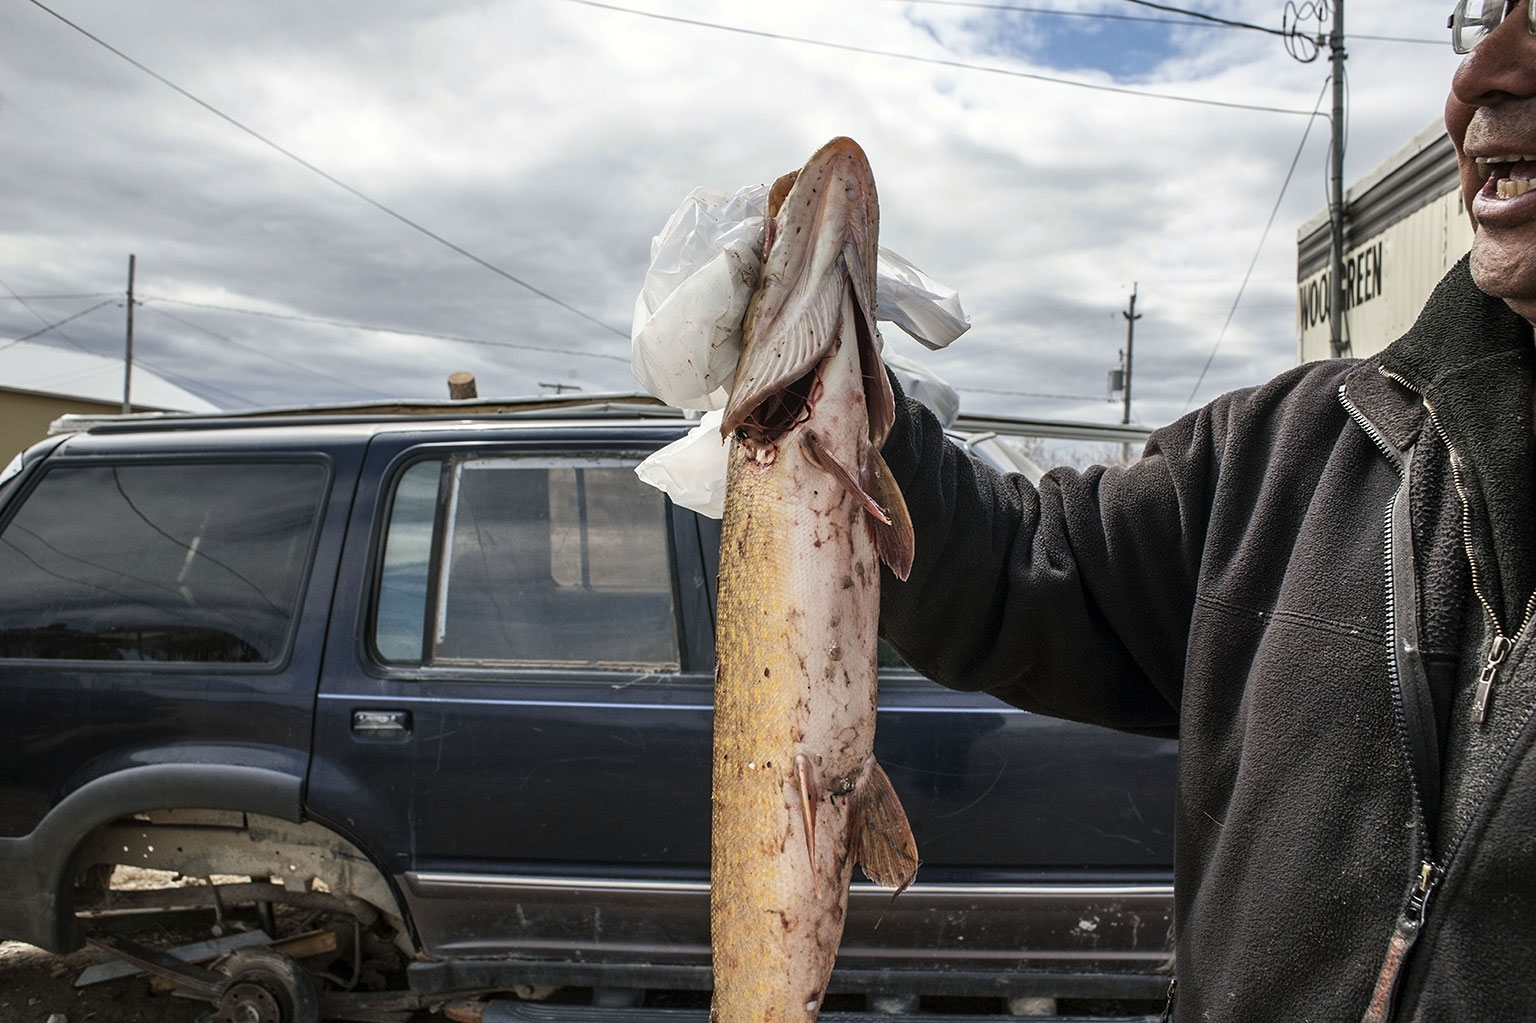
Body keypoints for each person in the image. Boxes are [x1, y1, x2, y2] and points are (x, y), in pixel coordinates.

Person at [876, 3, 1536, 1020]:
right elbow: (1018, 571)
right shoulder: (1295, 455)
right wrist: (856, 417)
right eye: (1488, 13)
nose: (1487, 71)